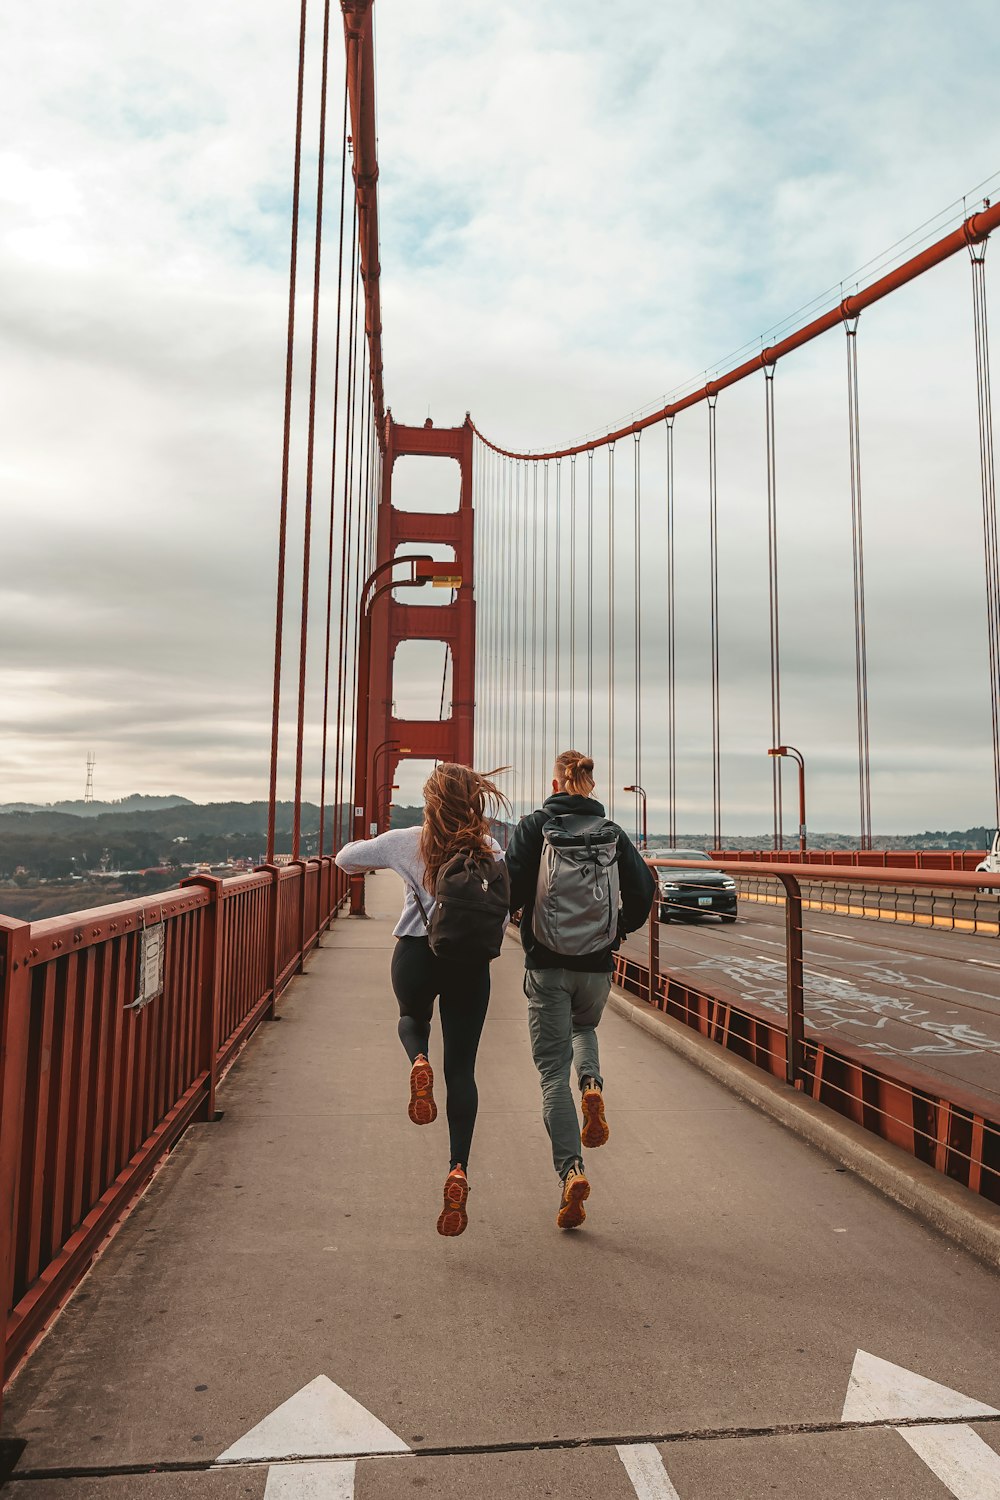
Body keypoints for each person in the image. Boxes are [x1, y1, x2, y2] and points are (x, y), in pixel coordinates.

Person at [335, 763, 509, 1238]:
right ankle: (458, 1168)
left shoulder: (407, 840)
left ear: (431, 802)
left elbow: (344, 860)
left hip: (416, 951)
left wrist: (385, 859)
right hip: (469, 965)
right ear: (476, 801)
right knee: (463, 1072)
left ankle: (417, 1059)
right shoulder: (490, 848)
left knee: (411, 1017)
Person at [505, 750, 656, 1229]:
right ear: (591, 785)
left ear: (555, 782)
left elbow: (507, 889)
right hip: (595, 963)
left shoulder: (534, 827)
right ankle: (592, 1083)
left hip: (546, 963)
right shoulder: (612, 834)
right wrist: (617, 930)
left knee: (552, 1073)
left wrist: (516, 917)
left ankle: (570, 1171)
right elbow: (643, 891)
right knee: (584, 1026)